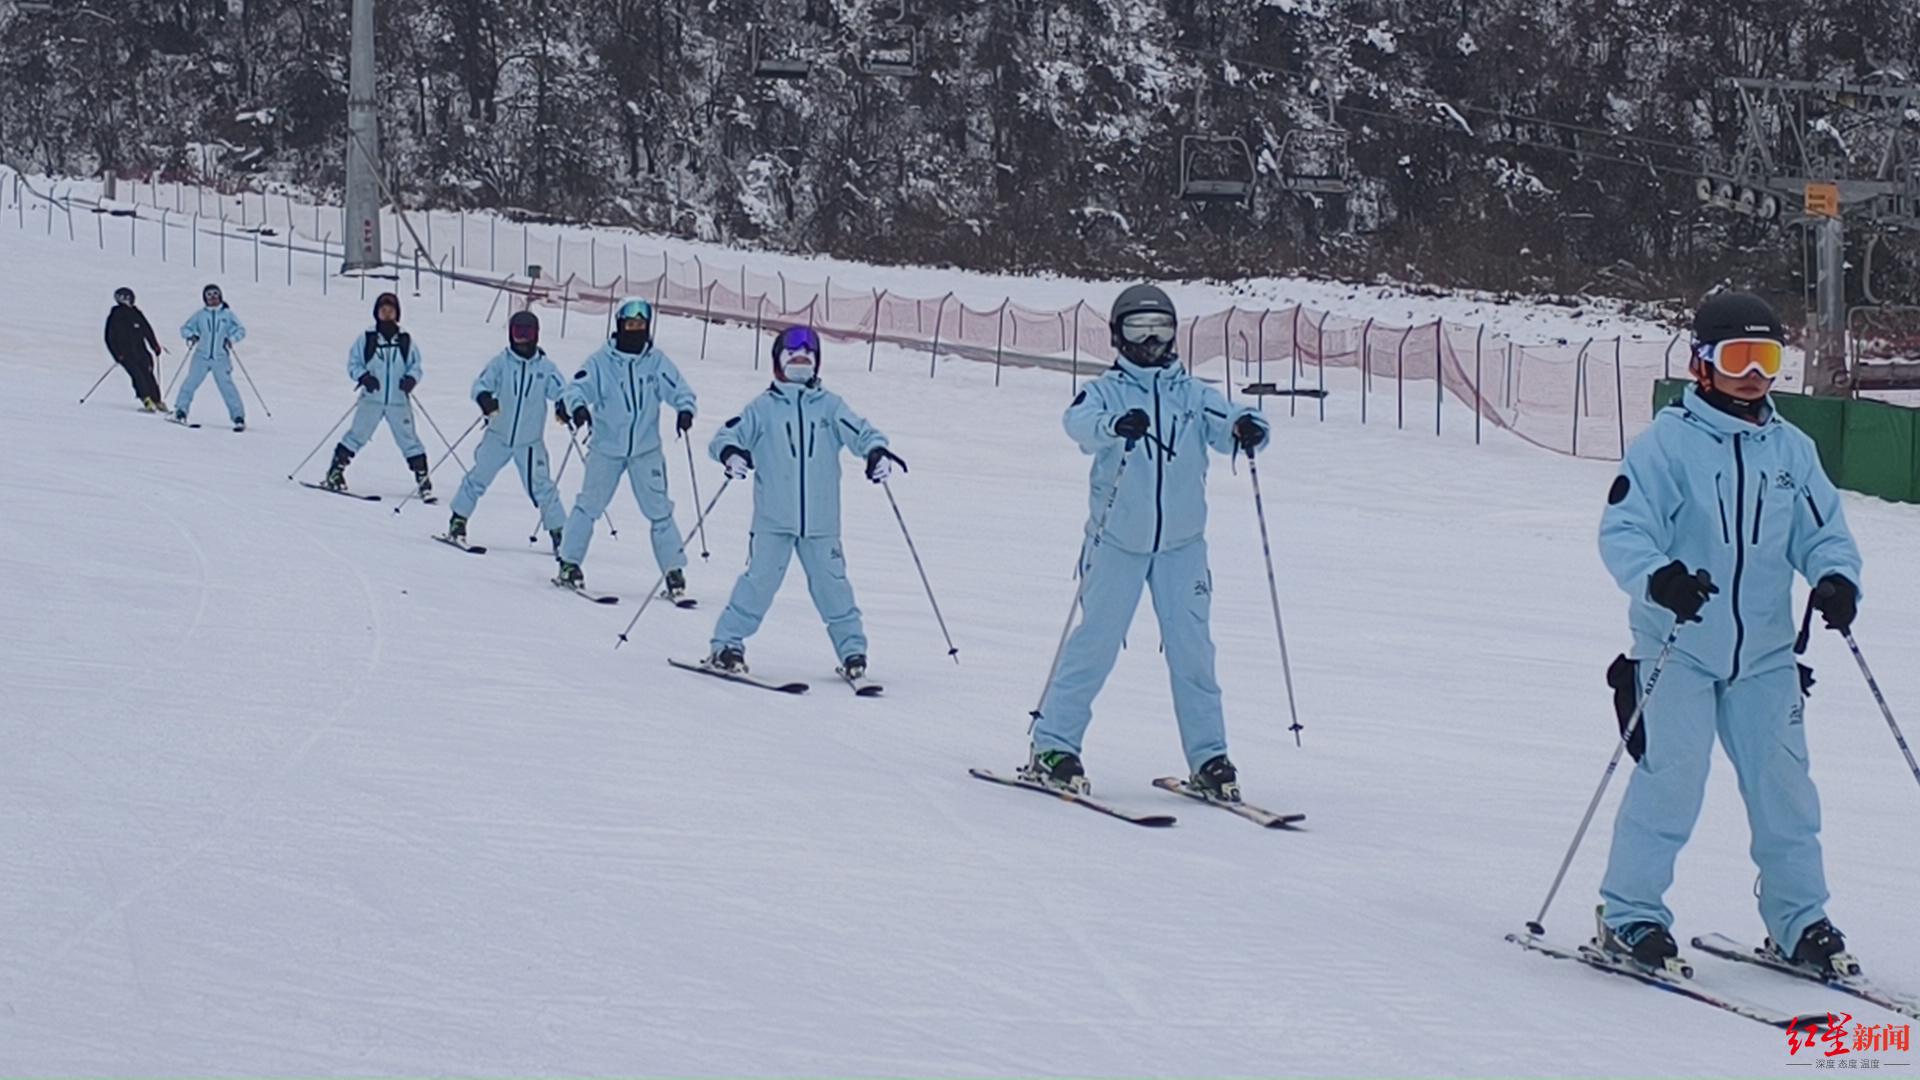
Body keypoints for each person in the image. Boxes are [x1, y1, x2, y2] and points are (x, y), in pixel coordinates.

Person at [1595, 291, 1863, 976]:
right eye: (1739, 357)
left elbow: (1824, 533)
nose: (1754, 374)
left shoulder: (1792, 451)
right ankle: (1631, 916)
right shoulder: (1666, 445)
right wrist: (1661, 578)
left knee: (1786, 794)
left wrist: (1835, 580)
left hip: (1767, 656)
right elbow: (1625, 530)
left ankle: (1801, 921)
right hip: (1677, 646)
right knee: (1670, 787)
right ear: (1702, 364)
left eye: (1767, 359)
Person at [1024, 284, 1270, 801]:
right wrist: (1115, 425)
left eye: (1161, 328)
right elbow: (1079, 423)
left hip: (1182, 546)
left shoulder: (1191, 392)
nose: (1151, 340)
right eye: (1138, 329)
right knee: (1096, 643)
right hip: (1117, 540)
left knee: (1193, 651)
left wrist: (1250, 427)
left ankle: (1210, 758)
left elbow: (1227, 421)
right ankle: (1053, 746)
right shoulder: (1107, 392)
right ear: (1117, 335)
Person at [704, 326, 903, 679]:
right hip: (773, 520)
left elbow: (862, 432)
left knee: (833, 587)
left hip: (821, 522)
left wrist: (876, 452)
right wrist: (731, 453)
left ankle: (853, 652)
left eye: (808, 355)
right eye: (793, 355)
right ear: (778, 362)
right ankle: (727, 645)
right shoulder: (763, 408)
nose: (802, 360)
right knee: (758, 583)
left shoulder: (830, 406)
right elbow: (726, 435)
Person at [554, 297, 697, 596]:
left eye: (641, 326)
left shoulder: (655, 361)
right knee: (589, 506)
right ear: (619, 325)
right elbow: (577, 387)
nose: (635, 331)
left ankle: (673, 572)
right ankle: (569, 563)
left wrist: (684, 409)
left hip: (646, 451)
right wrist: (578, 407)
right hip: (607, 449)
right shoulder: (601, 362)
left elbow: (680, 388)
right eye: (630, 325)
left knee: (659, 510)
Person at [447, 311, 569, 550]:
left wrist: (564, 405)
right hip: (498, 436)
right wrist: (485, 399)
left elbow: (561, 390)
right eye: (517, 333)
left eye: (527, 334)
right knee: (478, 478)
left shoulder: (545, 367)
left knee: (542, 487)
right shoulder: (501, 362)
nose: (522, 340)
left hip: (530, 443)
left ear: (536, 335)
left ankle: (560, 534)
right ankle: (458, 520)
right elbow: (481, 384)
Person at [322, 293, 429, 497]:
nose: (387, 314)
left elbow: (416, 365)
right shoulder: (367, 338)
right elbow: (353, 363)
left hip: (398, 400)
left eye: (391, 310)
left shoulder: (405, 339)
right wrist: (364, 377)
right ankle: (335, 471)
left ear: (397, 313)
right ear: (376, 313)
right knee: (357, 435)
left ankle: (423, 480)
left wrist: (411, 380)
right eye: (383, 310)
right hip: (372, 398)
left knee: (409, 439)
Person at [176, 283, 248, 431]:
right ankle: (181, 411)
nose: (213, 298)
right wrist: (192, 335)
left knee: (227, 387)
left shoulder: (227, 315)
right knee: (190, 383)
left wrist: (231, 339)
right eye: (209, 295)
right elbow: (185, 329)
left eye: (215, 295)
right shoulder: (200, 315)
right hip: (201, 356)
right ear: (205, 298)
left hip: (220, 358)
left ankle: (238, 417)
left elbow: (240, 330)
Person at [104, 286, 167, 412]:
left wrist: (155, 346)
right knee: (137, 375)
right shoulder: (116, 315)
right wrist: (117, 354)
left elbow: (147, 330)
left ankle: (157, 400)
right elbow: (110, 338)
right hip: (125, 353)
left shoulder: (136, 313)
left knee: (148, 374)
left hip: (141, 351)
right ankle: (146, 399)